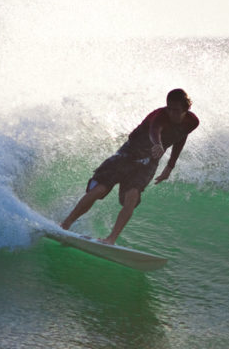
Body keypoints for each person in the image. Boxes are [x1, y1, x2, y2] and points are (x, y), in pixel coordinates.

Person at [61, 89, 199, 245]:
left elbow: (181, 136)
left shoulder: (192, 122)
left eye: (176, 110)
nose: (172, 113)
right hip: (129, 152)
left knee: (132, 196)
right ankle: (65, 224)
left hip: (149, 161)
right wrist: (158, 144)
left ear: (186, 109)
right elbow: (155, 131)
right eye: (169, 108)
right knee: (100, 189)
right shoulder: (160, 116)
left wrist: (170, 166)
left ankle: (110, 239)